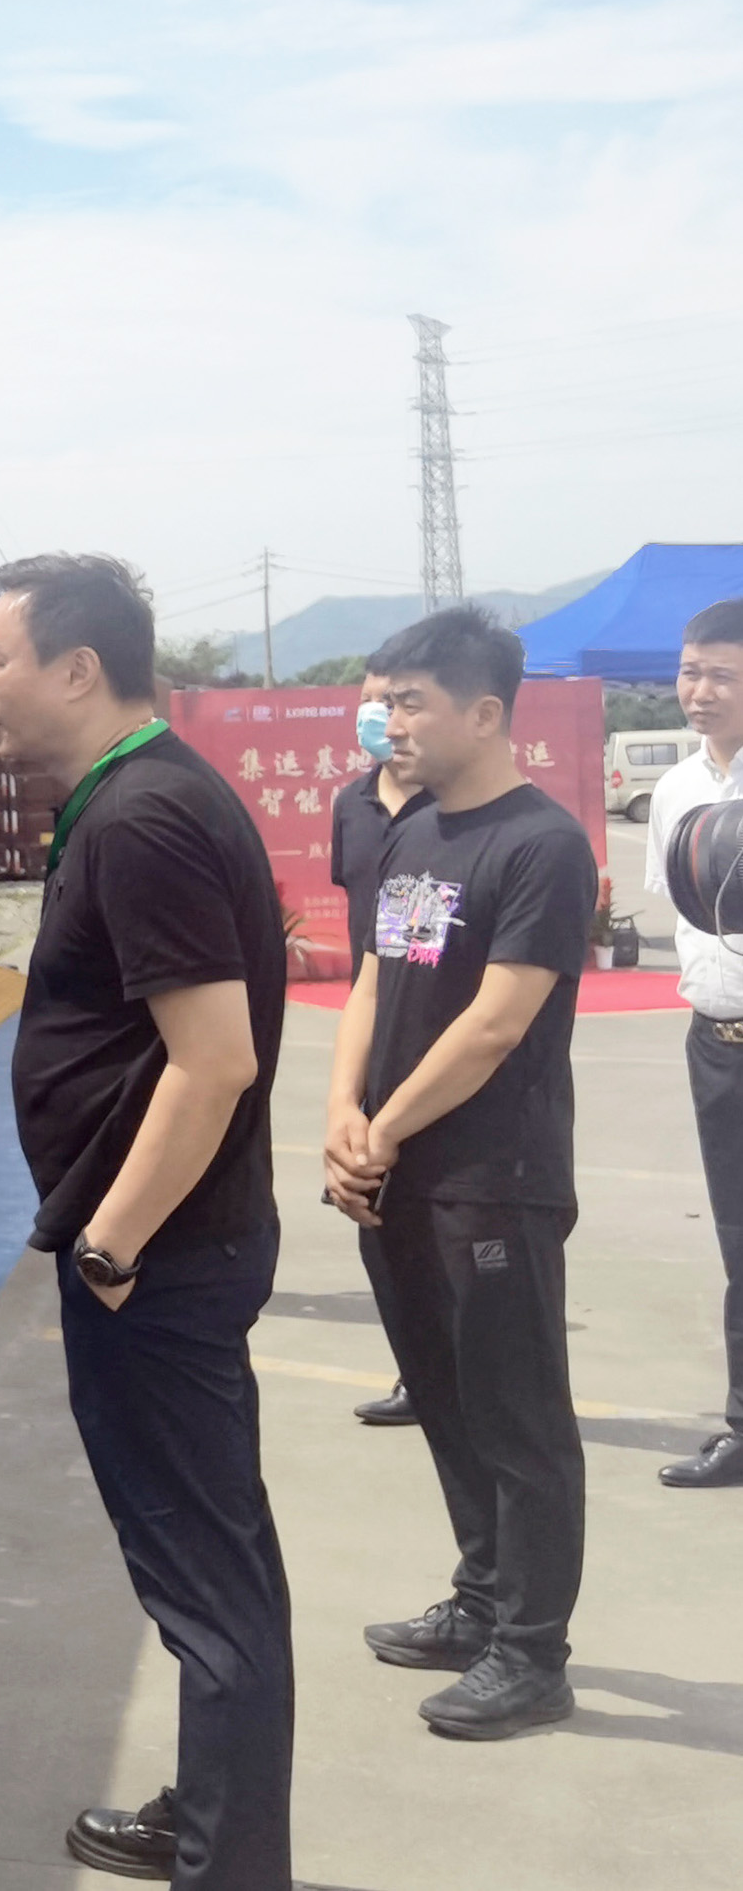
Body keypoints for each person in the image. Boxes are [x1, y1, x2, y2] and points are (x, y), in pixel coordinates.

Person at [0, 554, 294, 1889]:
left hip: (157, 1263)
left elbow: (211, 1061)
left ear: (76, 668)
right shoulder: (131, 799)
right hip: (166, 1251)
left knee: (206, 1580)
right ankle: (214, 1813)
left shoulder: (143, 817)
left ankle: (229, 1862)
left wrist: (108, 1244)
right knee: (208, 1568)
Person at [326, 606, 597, 1739]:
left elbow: (494, 1024)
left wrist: (381, 1130)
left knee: (515, 1415)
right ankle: (482, 1600)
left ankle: (531, 1655)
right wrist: (342, 1113)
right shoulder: (412, 833)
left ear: (485, 713)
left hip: (492, 1174)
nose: (389, 721)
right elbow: (374, 980)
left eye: (411, 702)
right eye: (383, 700)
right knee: (441, 1397)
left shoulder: (542, 844)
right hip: (395, 1168)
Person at [642, 596, 743, 1488]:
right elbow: (680, 913)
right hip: (714, 1042)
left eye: (720, 675)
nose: (698, 691)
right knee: (738, 1240)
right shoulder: (674, 789)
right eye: (688, 672)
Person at [331, 666, 430, 1430]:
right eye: (371, 699)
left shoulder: (446, 817)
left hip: (431, 1035)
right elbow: (367, 951)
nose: (381, 714)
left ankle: (445, 1377)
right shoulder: (351, 804)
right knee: (375, 1221)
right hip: (373, 1025)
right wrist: (343, 1097)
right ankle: (418, 1373)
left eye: (395, 699)